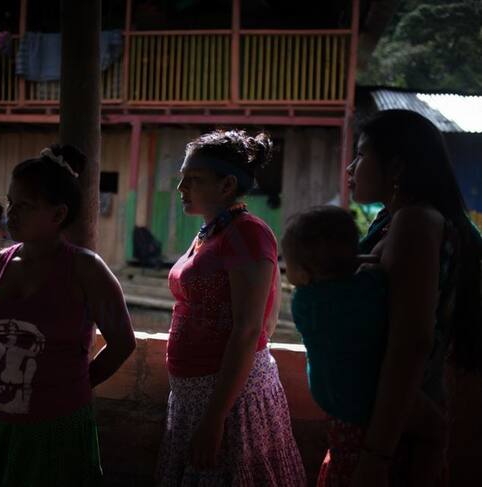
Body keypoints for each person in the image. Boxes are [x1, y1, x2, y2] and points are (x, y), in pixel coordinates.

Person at [0, 145, 136, 486]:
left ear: (58, 214)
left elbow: (123, 342)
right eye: (10, 202)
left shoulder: (86, 269)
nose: (11, 214)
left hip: (56, 428)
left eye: (25, 206)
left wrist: (75, 385)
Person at [322, 109, 482, 487]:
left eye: (361, 155)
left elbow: (410, 343)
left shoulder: (415, 222)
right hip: (388, 418)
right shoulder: (395, 220)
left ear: (396, 167)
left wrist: (376, 455)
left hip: (390, 428)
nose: (351, 167)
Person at [156, 130, 306, 486]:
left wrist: (215, 417)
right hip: (196, 394)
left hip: (228, 401)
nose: (181, 188)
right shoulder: (211, 233)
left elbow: (251, 328)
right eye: (182, 178)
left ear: (226, 185)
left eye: (193, 179)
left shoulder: (248, 234)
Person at [282, 205, 447, 487]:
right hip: (377, 399)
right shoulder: (370, 286)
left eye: (289, 264)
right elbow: (377, 272)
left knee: (347, 467)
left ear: (306, 273)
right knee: (436, 430)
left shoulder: (304, 305)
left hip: (342, 406)